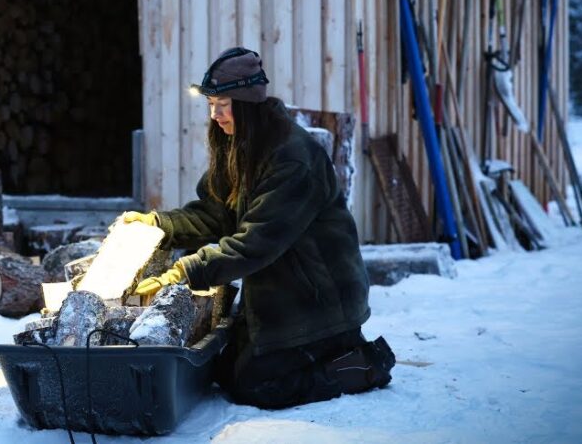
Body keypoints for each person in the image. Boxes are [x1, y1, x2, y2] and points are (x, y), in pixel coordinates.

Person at [122, 46, 394, 410]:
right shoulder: (239, 145)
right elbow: (214, 213)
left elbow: (256, 241)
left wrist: (185, 272)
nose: (215, 115)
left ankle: (361, 363)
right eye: (210, 105)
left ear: (247, 103)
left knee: (255, 386)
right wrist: (158, 225)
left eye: (223, 104)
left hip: (320, 301)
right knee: (221, 368)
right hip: (277, 294)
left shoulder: (293, 157)